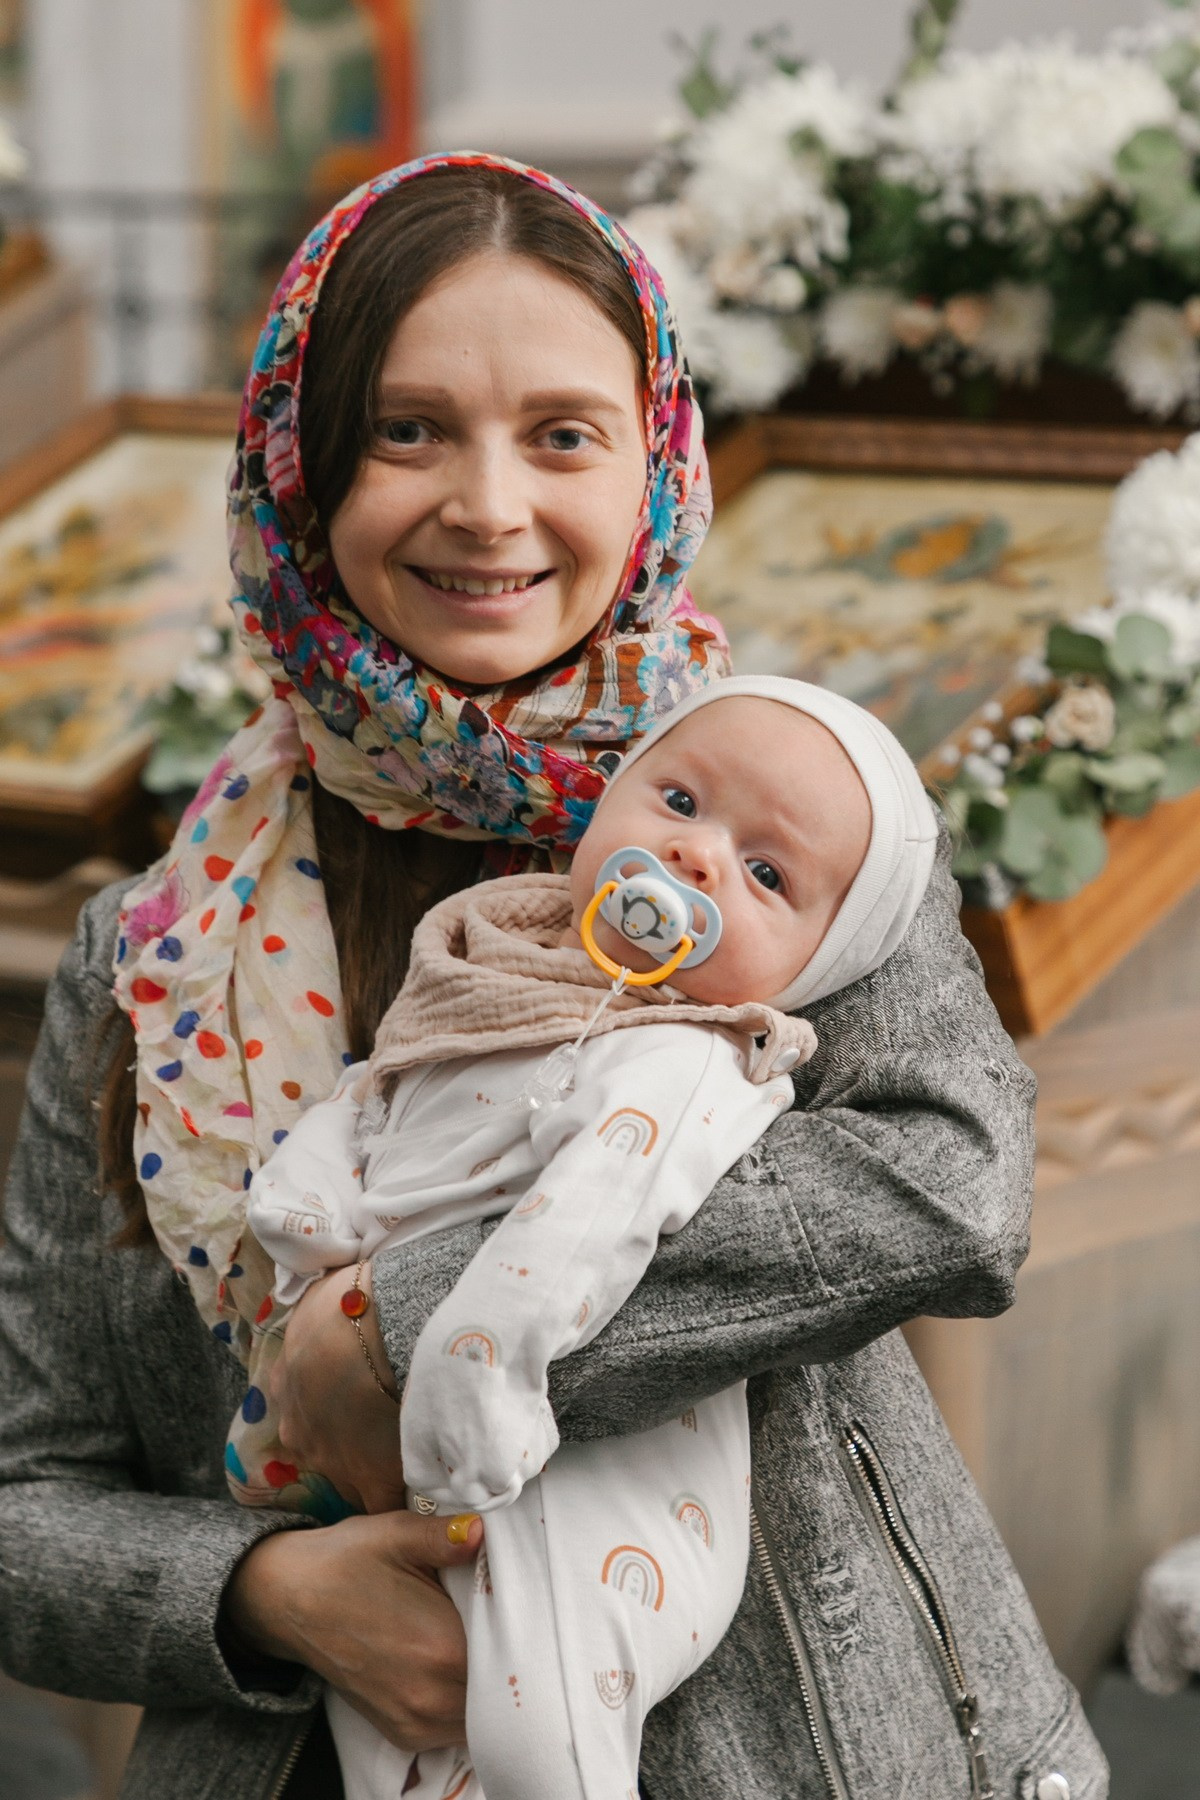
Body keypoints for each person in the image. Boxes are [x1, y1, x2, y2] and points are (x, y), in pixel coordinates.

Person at [0, 153, 1107, 1800]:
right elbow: (29, 1498)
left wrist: (401, 1338)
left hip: (801, 1745)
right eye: (409, 429)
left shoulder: (777, 815)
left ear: (654, 460)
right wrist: (269, 1598)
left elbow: (948, 1181)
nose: (492, 507)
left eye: (563, 435)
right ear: (301, 474)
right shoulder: (161, 957)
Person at [176, 675, 928, 1800]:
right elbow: (381, 1102)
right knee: (391, 1747)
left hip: (591, 1495)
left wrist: (463, 1373)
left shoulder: (683, 1059)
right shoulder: (495, 977)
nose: (697, 859)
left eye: (767, 874)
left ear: (815, 967)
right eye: (677, 802)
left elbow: (580, 1231)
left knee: (542, 1741)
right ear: (611, 795)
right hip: (424, 1501)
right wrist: (308, 1209)